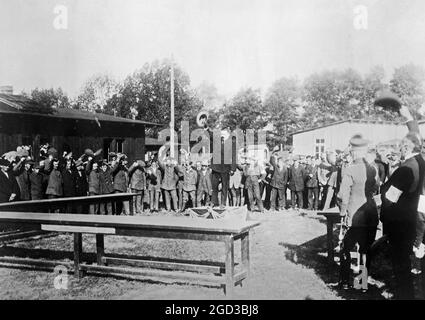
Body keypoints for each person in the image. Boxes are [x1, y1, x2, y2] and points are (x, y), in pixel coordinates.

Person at [380, 105, 425, 299]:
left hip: (401, 223)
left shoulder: (406, 168)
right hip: (412, 220)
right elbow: (416, 136)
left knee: (401, 267)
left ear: (406, 147)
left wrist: (381, 208)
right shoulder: (421, 160)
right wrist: (408, 117)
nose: (398, 147)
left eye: (401, 145)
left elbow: (390, 199)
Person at [338, 134, 379, 290]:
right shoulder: (372, 169)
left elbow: (343, 195)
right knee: (365, 249)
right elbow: (376, 188)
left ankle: (345, 281)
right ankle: (362, 283)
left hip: (355, 216)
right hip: (371, 214)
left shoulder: (349, 169)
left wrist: (343, 213)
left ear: (353, 152)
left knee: (345, 248)